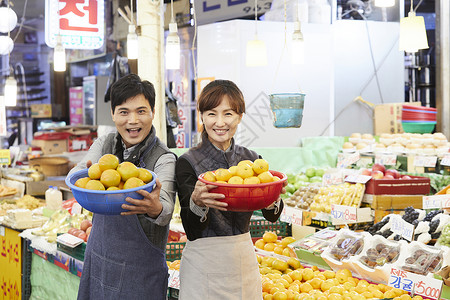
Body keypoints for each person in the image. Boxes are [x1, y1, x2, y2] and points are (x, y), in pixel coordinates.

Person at [69, 74, 177, 300]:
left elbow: (166, 209)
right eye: (124, 112)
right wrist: (85, 176)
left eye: (141, 111)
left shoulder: (164, 158)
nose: (133, 120)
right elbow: (76, 175)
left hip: (140, 271)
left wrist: (154, 207)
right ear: (113, 114)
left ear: (153, 114)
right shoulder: (105, 144)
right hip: (99, 259)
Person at [175, 79, 285, 299]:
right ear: (202, 117)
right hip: (202, 263)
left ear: (240, 117)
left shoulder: (252, 160)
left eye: (228, 114)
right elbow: (192, 229)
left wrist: (274, 196)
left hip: (243, 259)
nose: (220, 122)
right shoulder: (188, 162)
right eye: (212, 113)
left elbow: (272, 217)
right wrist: (197, 203)